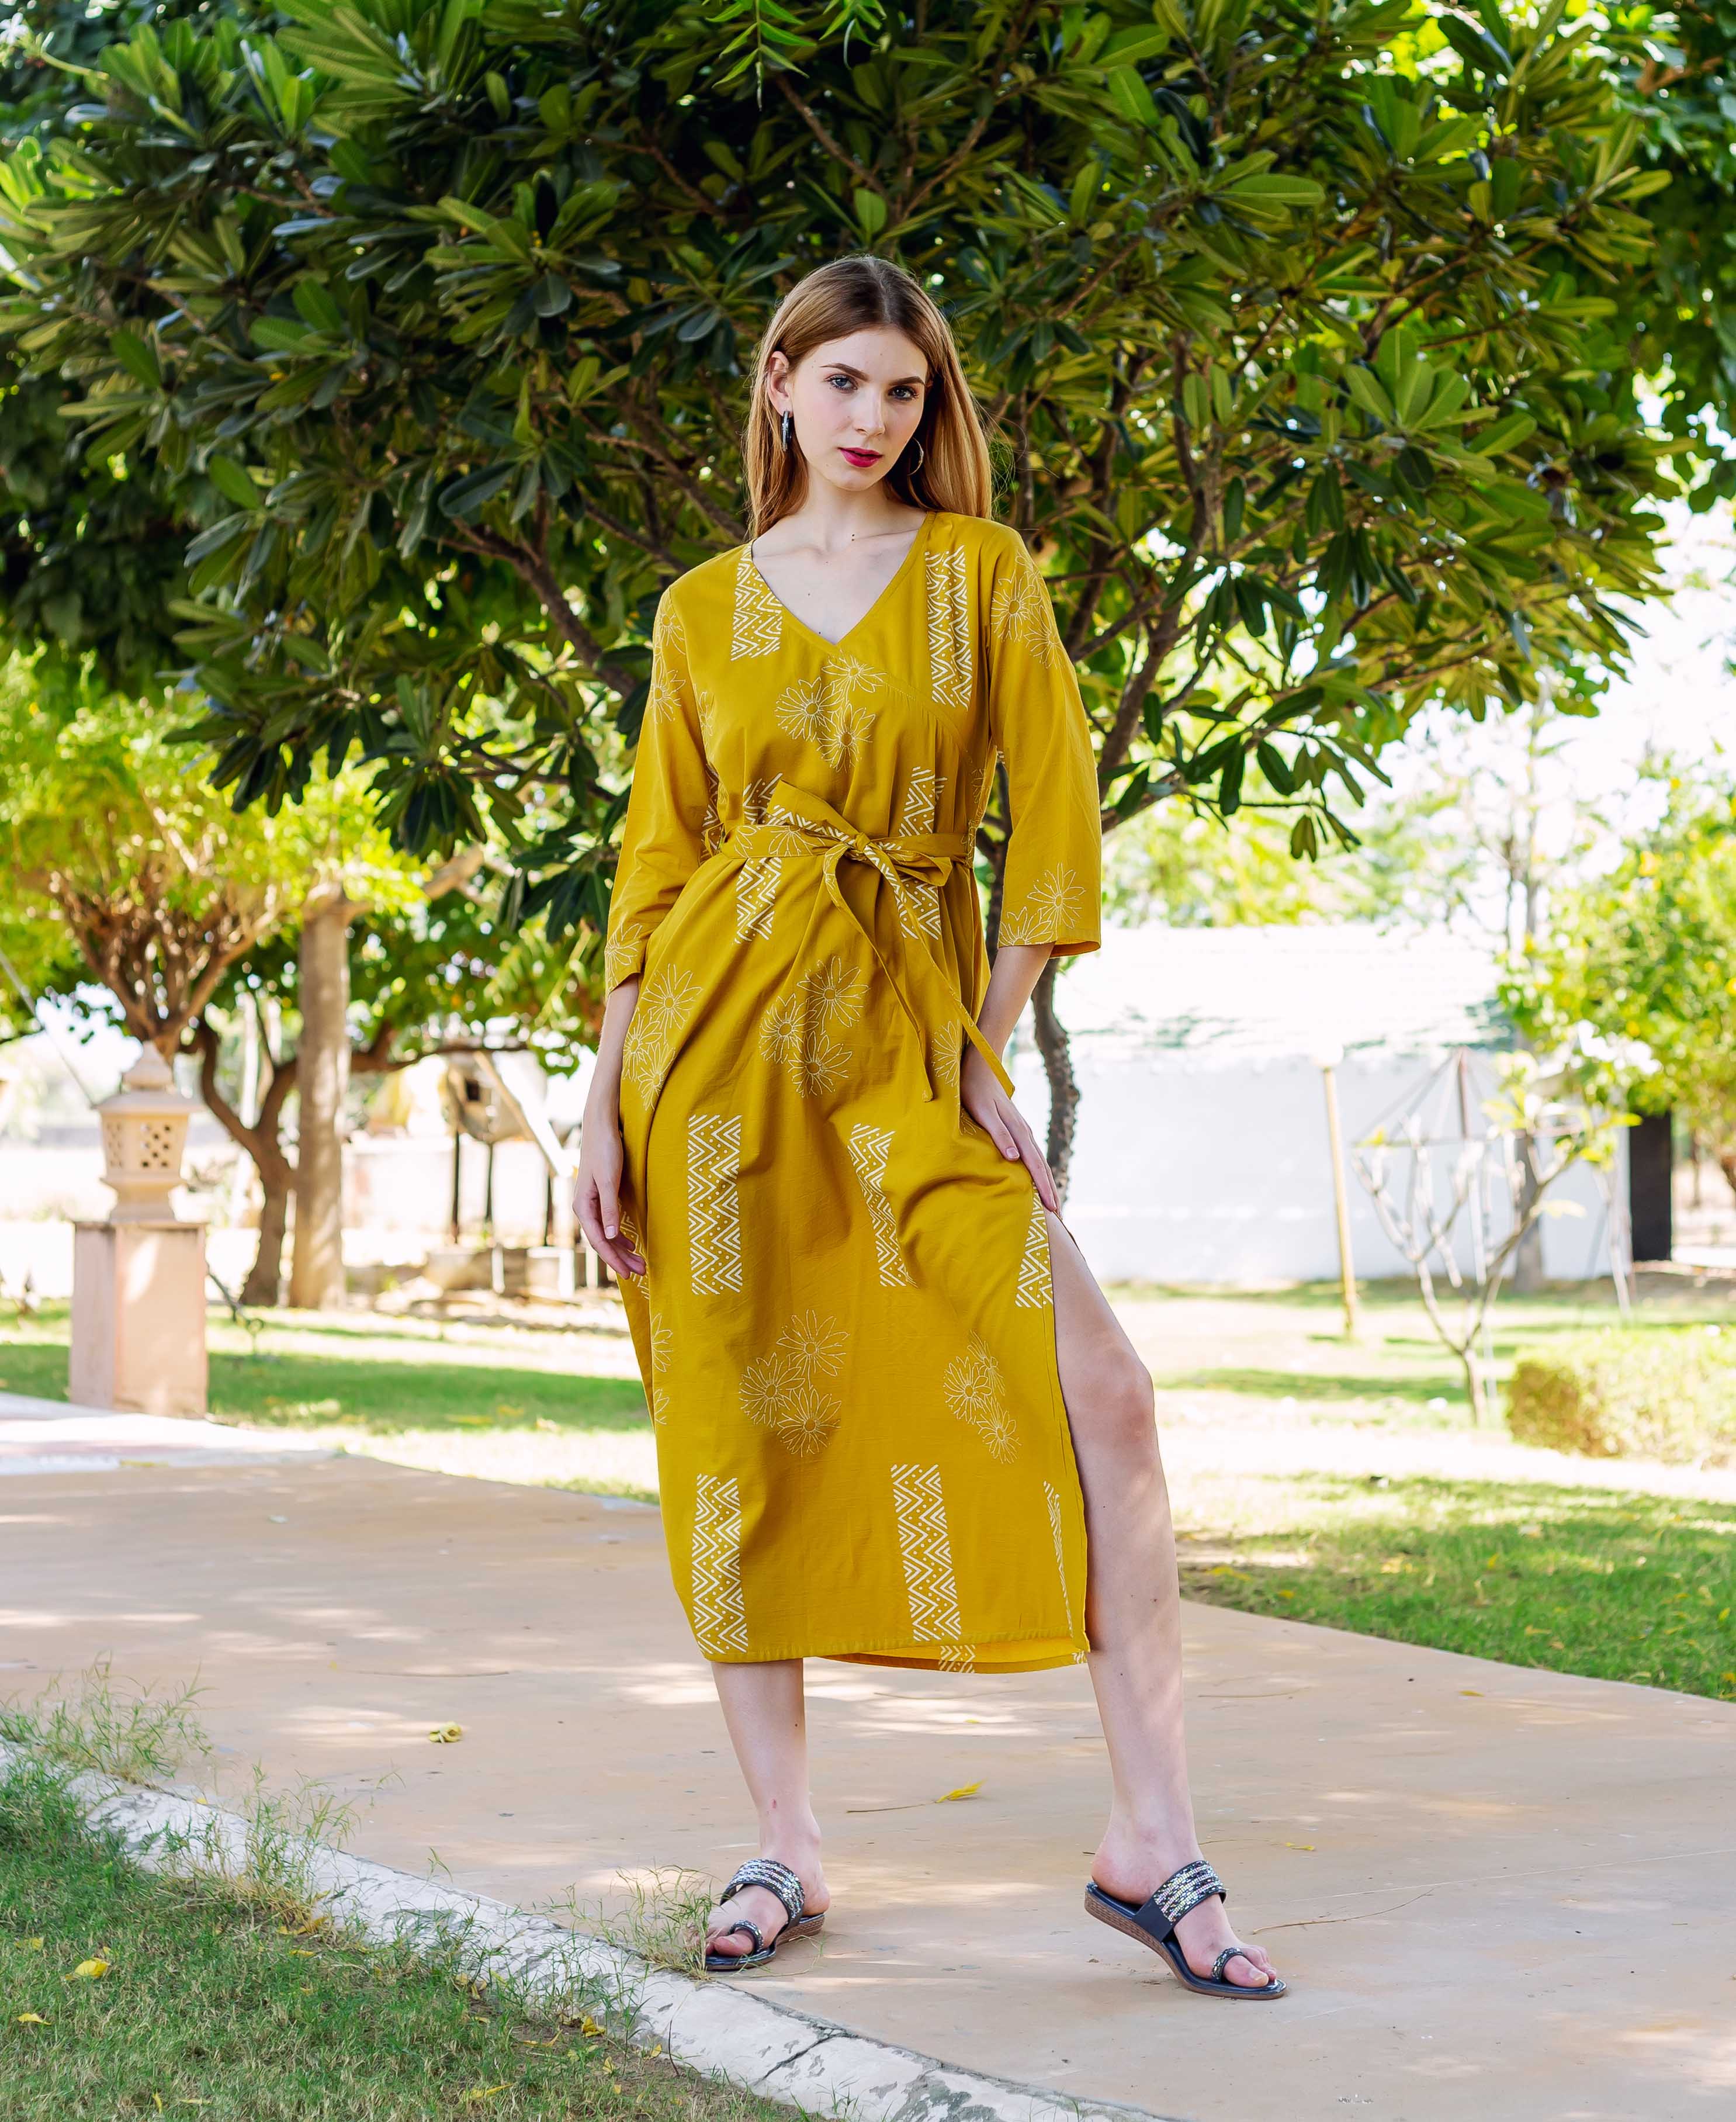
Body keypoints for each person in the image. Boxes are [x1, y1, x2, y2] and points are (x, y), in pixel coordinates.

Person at [574, 255, 1284, 2000]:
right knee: (737, 1436)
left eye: (903, 390)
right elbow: (653, 871)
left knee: (1107, 1389)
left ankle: (1152, 1838)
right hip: (711, 1066)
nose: (874, 419)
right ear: (778, 385)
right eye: (843, 383)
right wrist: (599, 1100)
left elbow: (1053, 821)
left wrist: (983, 1044)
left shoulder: (982, 573)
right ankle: (783, 1841)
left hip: (908, 1047)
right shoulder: (696, 610)